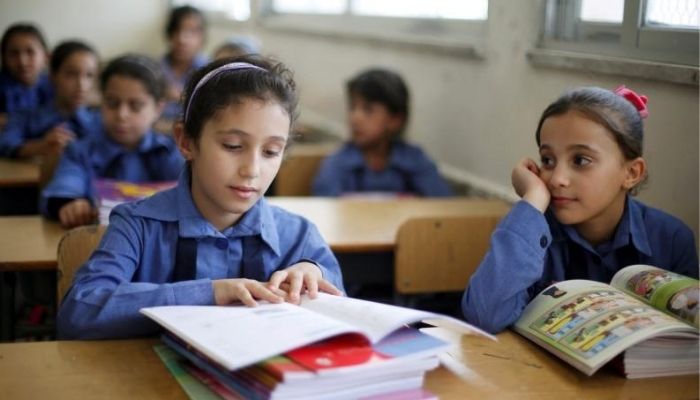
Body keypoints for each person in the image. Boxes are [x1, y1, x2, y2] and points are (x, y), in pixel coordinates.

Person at [57, 55, 345, 339]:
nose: (252, 170)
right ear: (186, 141)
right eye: (233, 146)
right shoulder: (136, 225)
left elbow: (338, 304)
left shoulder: (298, 235)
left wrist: (313, 272)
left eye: (271, 152)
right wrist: (208, 292)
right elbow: (80, 310)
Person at [462, 86, 699, 334]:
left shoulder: (671, 239)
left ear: (631, 173)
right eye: (547, 160)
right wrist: (532, 201)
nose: (557, 179)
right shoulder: (531, 233)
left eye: (580, 160)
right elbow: (484, 317)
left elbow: (687, 337)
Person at [41, 54, 184, 228]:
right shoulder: (79, 152)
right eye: (112, 103)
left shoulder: (171, 152)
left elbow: (194, 195)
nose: (122, 115)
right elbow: (65, 188)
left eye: (136, 106)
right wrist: (71, 205)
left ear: (158, 109)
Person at [312, 68, 452, 197]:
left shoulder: (415, 160)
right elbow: (325, 210)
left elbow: (442, 206)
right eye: (353, 107)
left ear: (395, 119)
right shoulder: (338, 163)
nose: (355, 118)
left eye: (368, 110)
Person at [0, 40, 100, 158]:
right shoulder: (25, 117)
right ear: (52, 76)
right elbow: (5, 143)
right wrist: (40, 147)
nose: (81, 85)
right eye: (71, 74)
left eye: (89, 75)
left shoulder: (101, 122)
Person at [160, 5, 208, 120]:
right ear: (169, 34)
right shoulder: (155, 69)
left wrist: (181, 97)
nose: (182, 39)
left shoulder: (209, 71)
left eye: (192, 31)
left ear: (202, 37)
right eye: (177, 30)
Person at [0, 23, 52, 123]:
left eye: (30, 52)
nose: (22, 62)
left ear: (46, 57)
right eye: (14, 53)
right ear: (4, 58)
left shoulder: (56, 84)